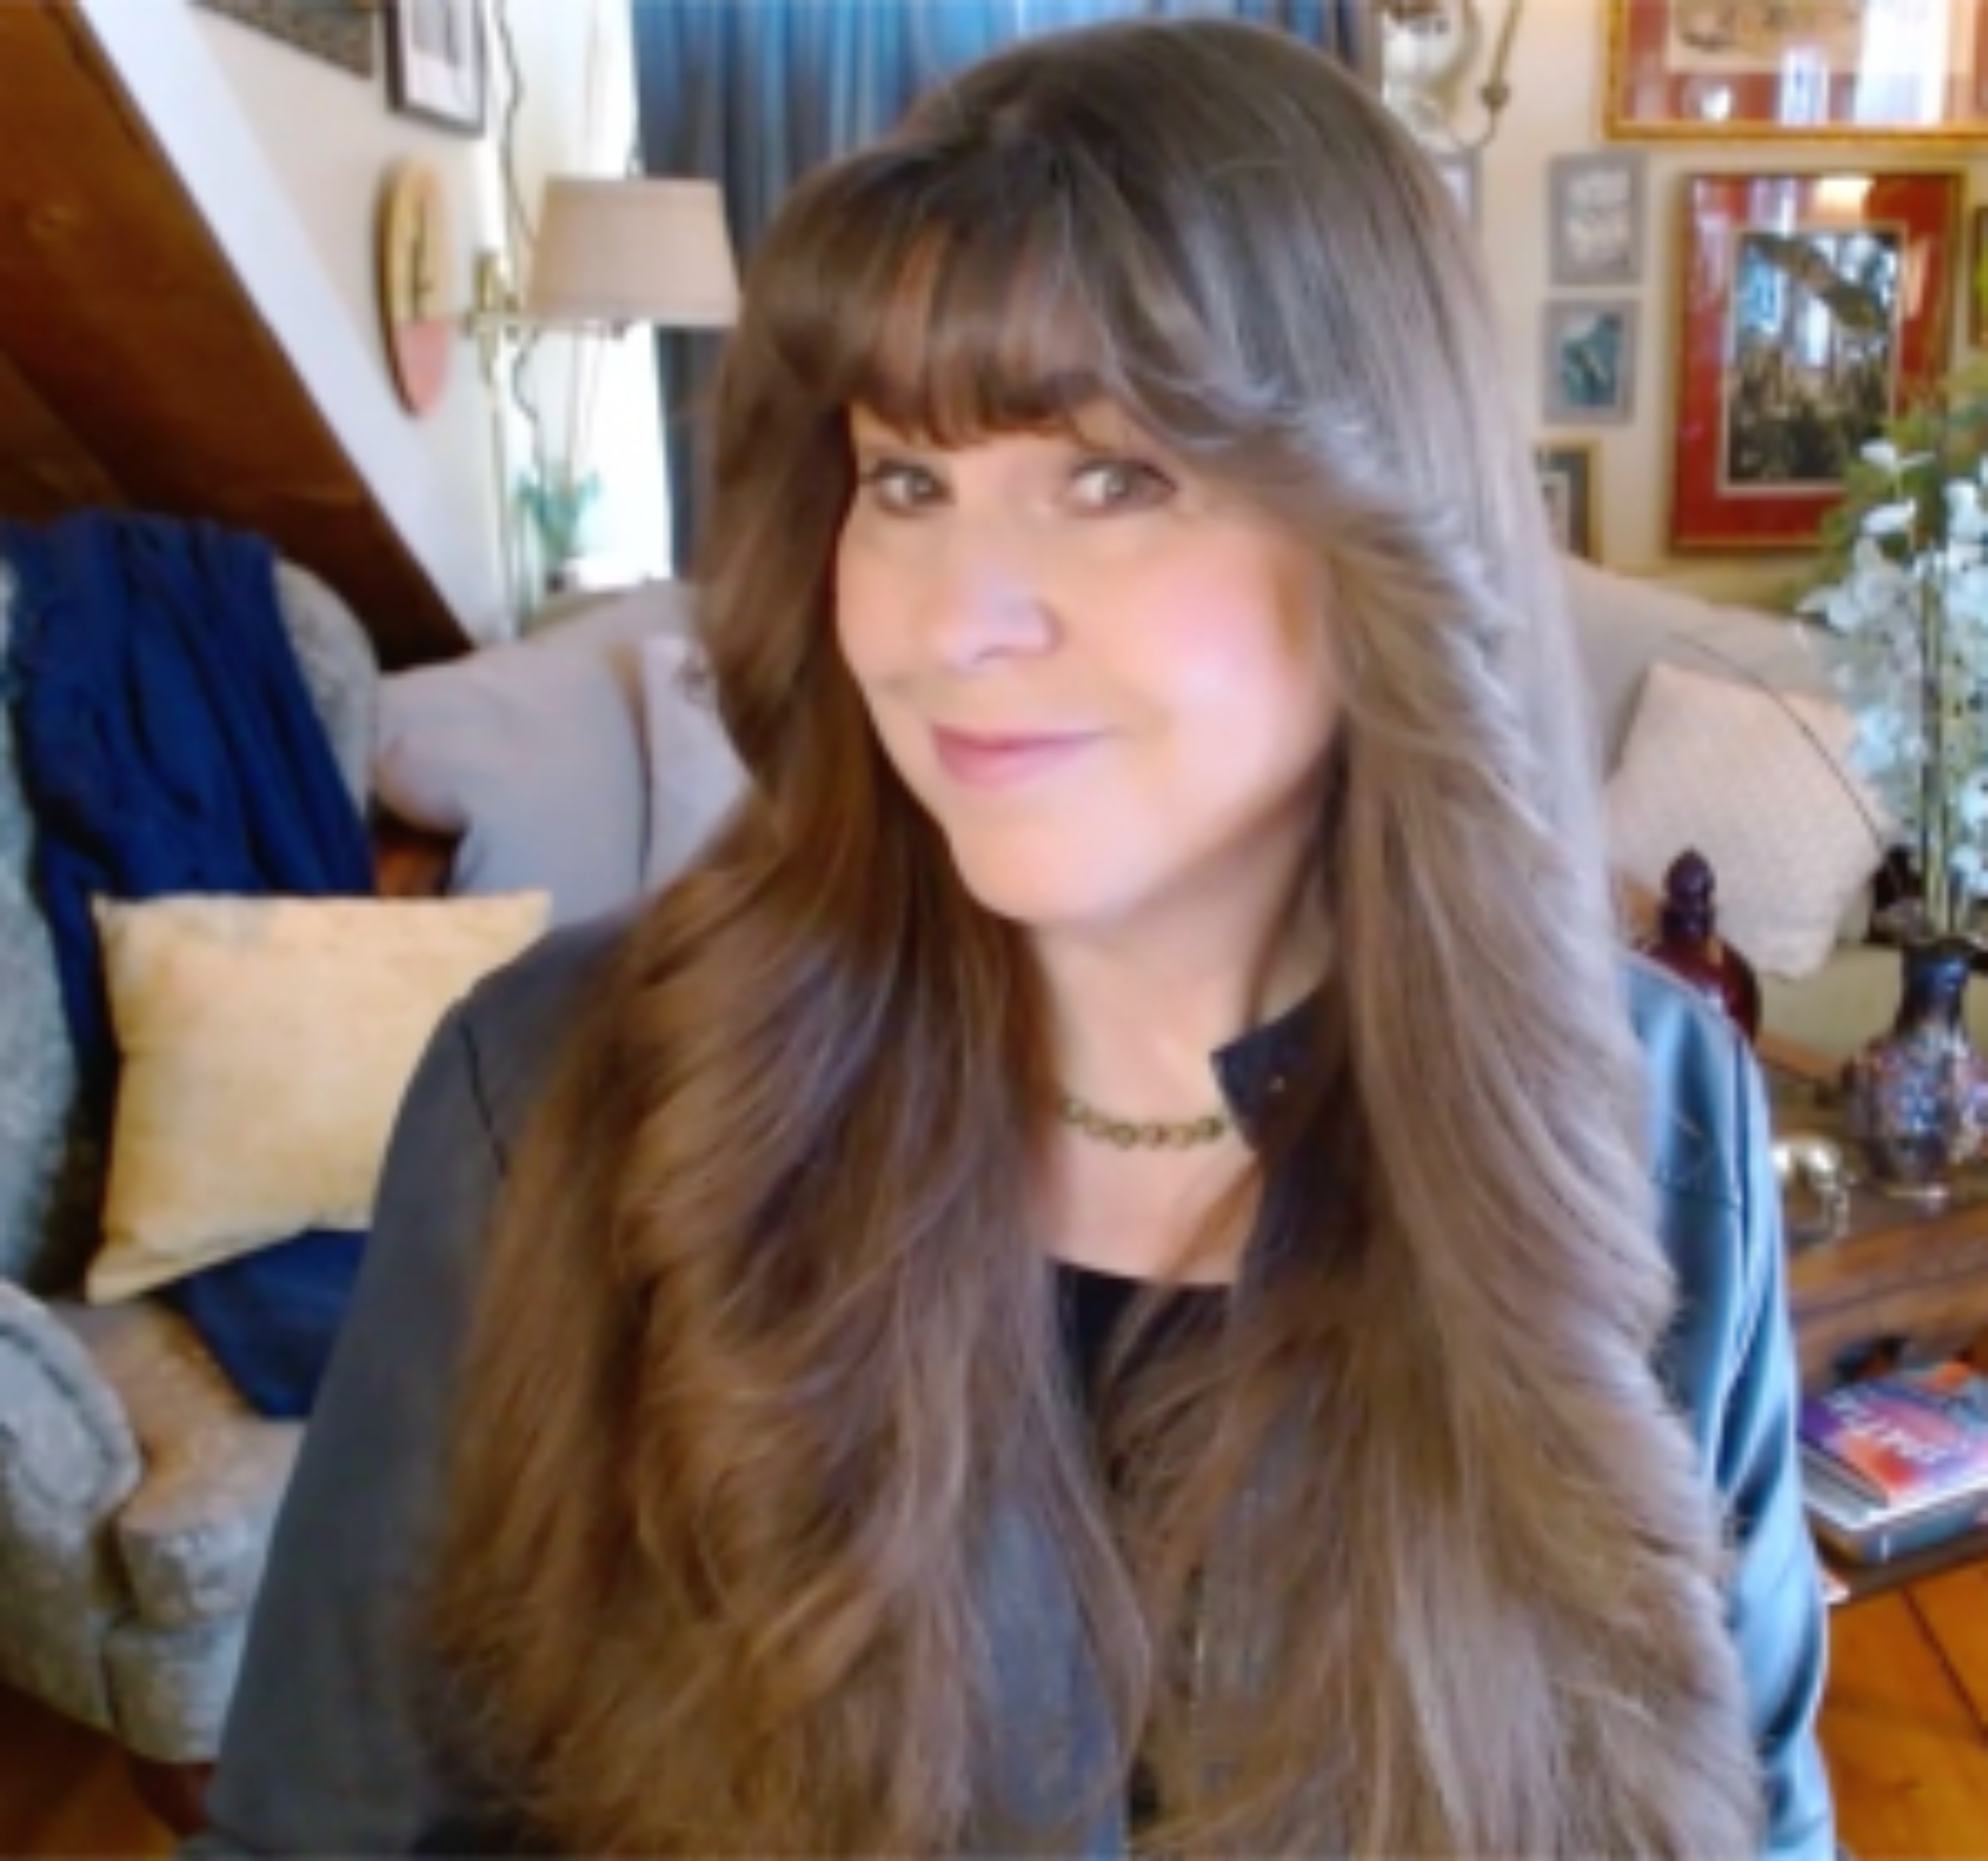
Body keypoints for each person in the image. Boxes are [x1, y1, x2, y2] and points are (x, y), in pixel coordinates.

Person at [191, 17, 1833, 1857]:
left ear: (1392, 537)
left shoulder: (1647, 1109)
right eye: (904, 480)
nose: (953, 621)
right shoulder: (554, 1098)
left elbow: (1746, 1810)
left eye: (1115, 477)